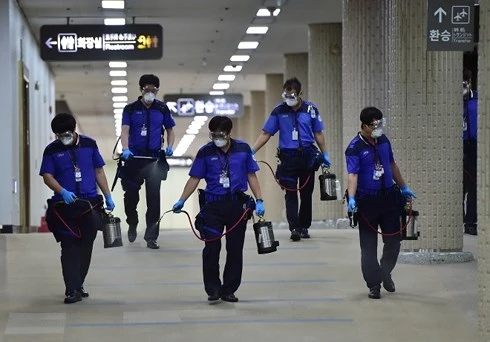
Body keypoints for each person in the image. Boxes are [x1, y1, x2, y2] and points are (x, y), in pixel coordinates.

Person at [172, 116, 265, 302]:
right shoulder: (205, 152)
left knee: (235, 249)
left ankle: (229, 289)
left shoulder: (243, 149)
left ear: (229, 133)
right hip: (213, 206)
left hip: (236, 206)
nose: (217, 138)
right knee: (211, 248)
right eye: (213, 134)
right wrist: (182, 200)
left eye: (220, 134)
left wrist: (259, 199)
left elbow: (251, 175)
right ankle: (213, 289)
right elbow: (194, 178)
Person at [39, 113, 115, 304]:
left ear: (73, 130)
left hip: (90, 204)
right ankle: (72, 289)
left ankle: (78, 283)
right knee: (69, 246)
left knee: (86, 245)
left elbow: (99, 171)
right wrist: (62, 191)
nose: (62, 137)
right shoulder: (51, 150)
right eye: (58, 134)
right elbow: (47, 175)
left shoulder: (89, 144)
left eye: (65, 133)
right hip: (65, 206)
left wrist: (108, 195)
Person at [345, 107, 416, 299]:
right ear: (364, 126)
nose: (378, 127)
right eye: (374, 125)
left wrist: (403, 186)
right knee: (368, 246)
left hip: (388, 198)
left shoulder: (384, 141)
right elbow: (352, 174)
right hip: (367, 200)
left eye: (380, 123)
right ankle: (374, 284)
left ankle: (384, 272)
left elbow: (392, 165)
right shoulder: (354, 148)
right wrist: (351, 198)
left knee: (394, 240)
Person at [252, 77, 331, 241]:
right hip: (288, 157)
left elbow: (318, 133)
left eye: (292, 95)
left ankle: (304, 227)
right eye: (286, 95)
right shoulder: (279, 111)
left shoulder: (311, 109)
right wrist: (252, 150)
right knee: (290, 193)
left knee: (306, 193)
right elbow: (266, 133)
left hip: (308, 156)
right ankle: (294, 227)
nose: (289, 99)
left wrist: (325, 154)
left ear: (300, 93)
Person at [120, 74, 176, 249]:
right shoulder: (130, 109)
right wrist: (125, 149)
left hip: (154, 158)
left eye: (154, 90)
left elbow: (170, 130)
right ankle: (132, 221)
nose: (150, 92)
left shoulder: (162, 109)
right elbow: (125, 131)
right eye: (147, 89)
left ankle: (151, 236)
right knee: (130, 196)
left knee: (154, 199)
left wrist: (170, 145)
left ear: (157, 90)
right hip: (134, 158)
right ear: (141, 89)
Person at [463, 68, 478, 235]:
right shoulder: (450, 100)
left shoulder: (477, 99)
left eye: (466, 81)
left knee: (473, 186)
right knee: (456, 187)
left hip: (473, 146)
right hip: (454, 146)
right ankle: (455, 218)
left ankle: (471, 222)